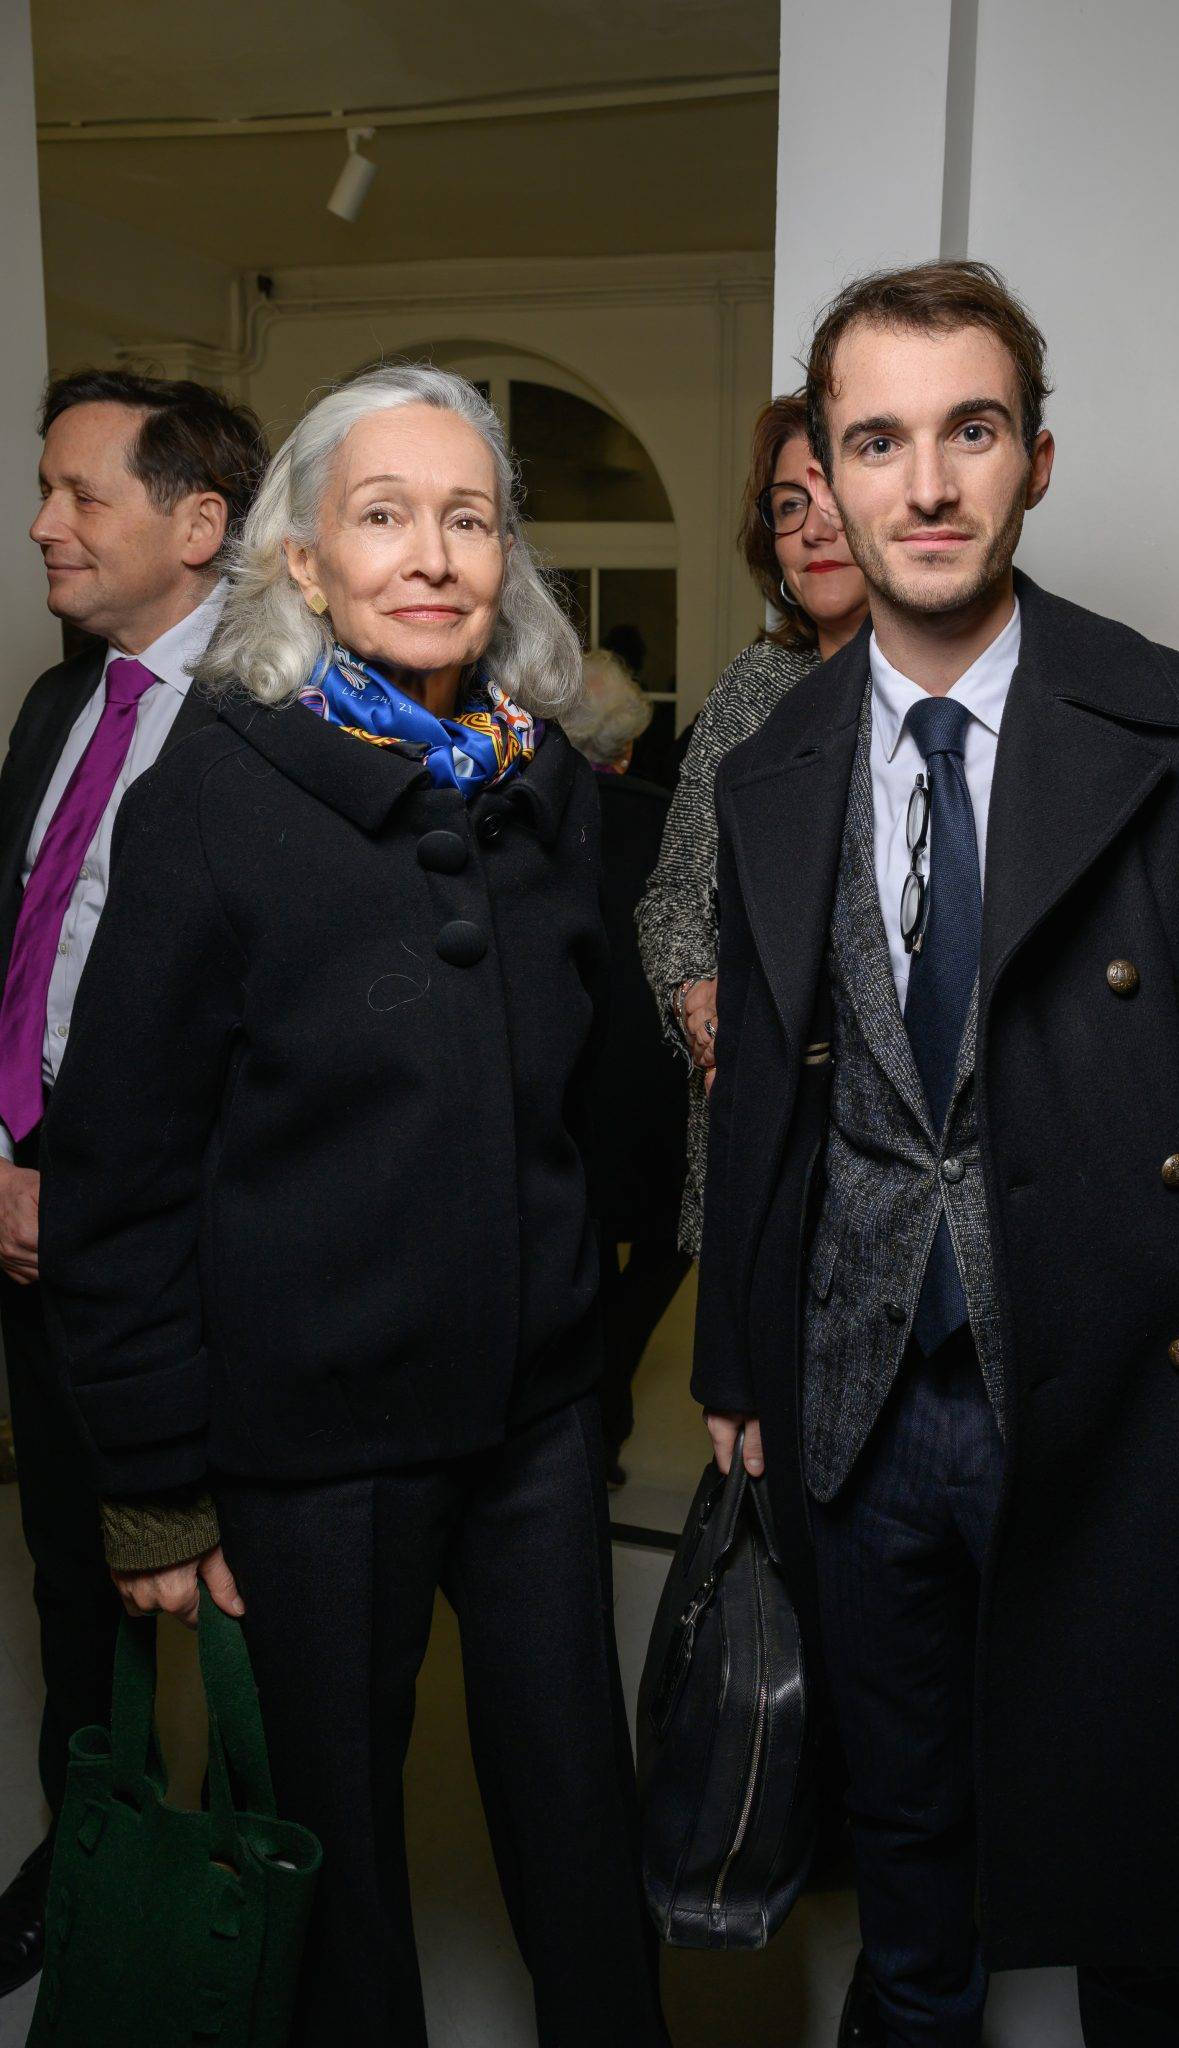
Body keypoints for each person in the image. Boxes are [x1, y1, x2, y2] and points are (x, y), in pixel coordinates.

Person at [691, 260, 1179, 2047]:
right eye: (877, 438)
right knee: (908, 1866)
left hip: (1126, 1383)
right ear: (819, 472)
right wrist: (736, 1350)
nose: (925, 482)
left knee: (1145, 1882)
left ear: (1035, 459)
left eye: (968, 429)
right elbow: (766, 1079)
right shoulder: (775, 763)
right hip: (861, 1398)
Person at [37, 364, 669, 2048]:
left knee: (577, 1813)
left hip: (532, 1419)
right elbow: (117, 1166)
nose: (432, 552)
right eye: (383, 514)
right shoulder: (220, 792)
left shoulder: (543, 787)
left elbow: (594, 1102)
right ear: (303, 562)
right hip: (312, 1442)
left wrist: (602, 1342)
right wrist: (156, 1484)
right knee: (337, 1858)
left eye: (468, 516)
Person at [0, 369, 267, 1998]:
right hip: (38, 1233)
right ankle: (81, 1847)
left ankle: (252, 1895)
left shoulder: (286, 714)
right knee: (67, 1580)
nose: (43, 523)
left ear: (198, 522)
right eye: (44, 488)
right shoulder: (60, 700)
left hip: (198, 1257)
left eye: (79, 492)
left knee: (241, 1613)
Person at [637, 391, 868, 1256]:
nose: (812, 528)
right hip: (762, 1145)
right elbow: (671, 897)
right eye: (787, 506)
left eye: (834, 493)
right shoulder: (754, 689)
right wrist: (697, 998)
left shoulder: (956, 692)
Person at [563, 651, 690, 1484]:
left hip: (574, 1078)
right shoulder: (672, 820)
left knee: (580, 1244)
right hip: (657, 1078)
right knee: (663, 1245)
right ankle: (605, 1393)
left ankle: (590, 1408)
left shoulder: (532, 819)